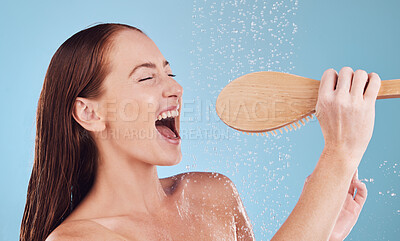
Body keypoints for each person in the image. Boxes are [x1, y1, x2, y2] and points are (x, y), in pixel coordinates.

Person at [19, 23, 379, 241]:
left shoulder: (214, 194)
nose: (175, 88)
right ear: (89, 112)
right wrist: (339, 153)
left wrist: (322, 231)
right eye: (146, 77)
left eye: (170, 73)